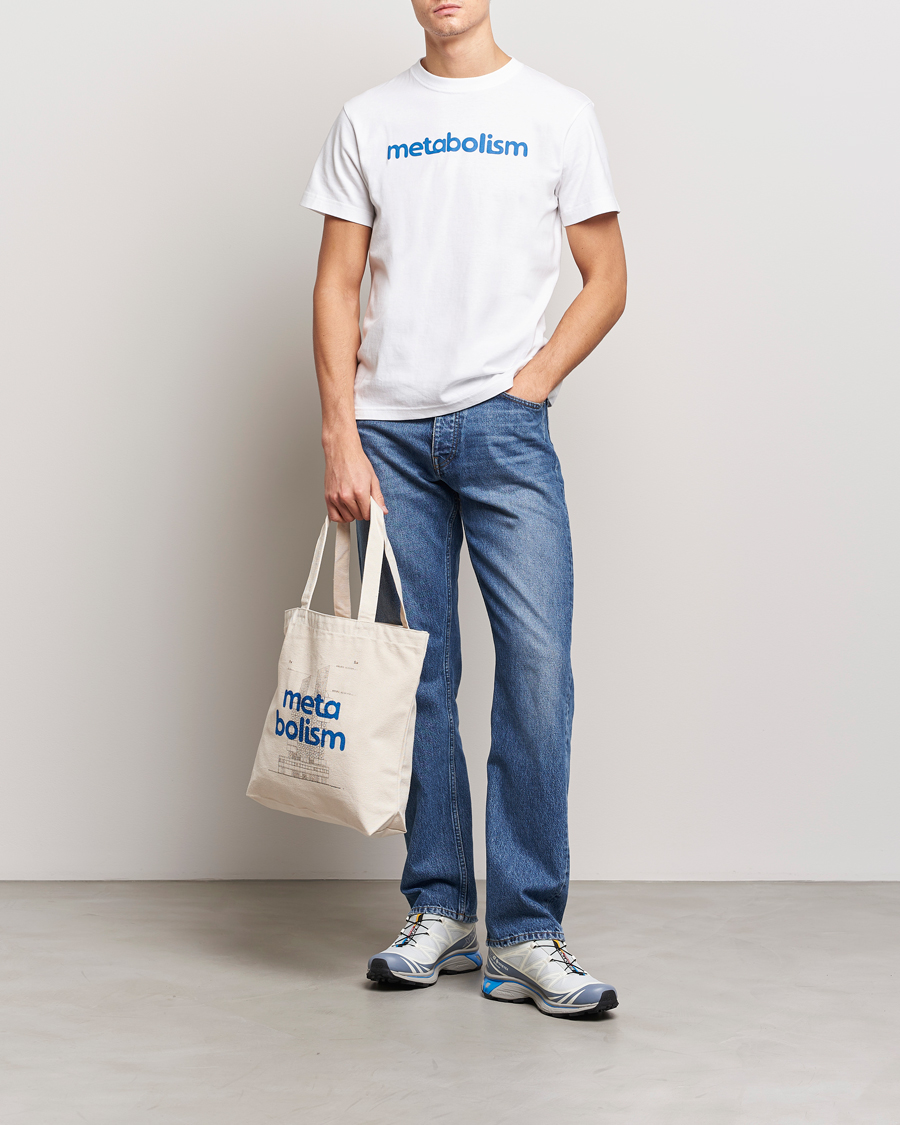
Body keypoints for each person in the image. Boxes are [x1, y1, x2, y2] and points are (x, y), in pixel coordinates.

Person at [302, 0, 626, 1019]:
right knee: (419, 677)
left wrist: (533, 383)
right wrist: (340, 434)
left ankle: (525, 931)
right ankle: (438, 908)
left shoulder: (558, 112)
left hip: (504, 429)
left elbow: (608, 277)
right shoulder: (368, 117)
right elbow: (336, 284)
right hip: (388, 438)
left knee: (537, 671)